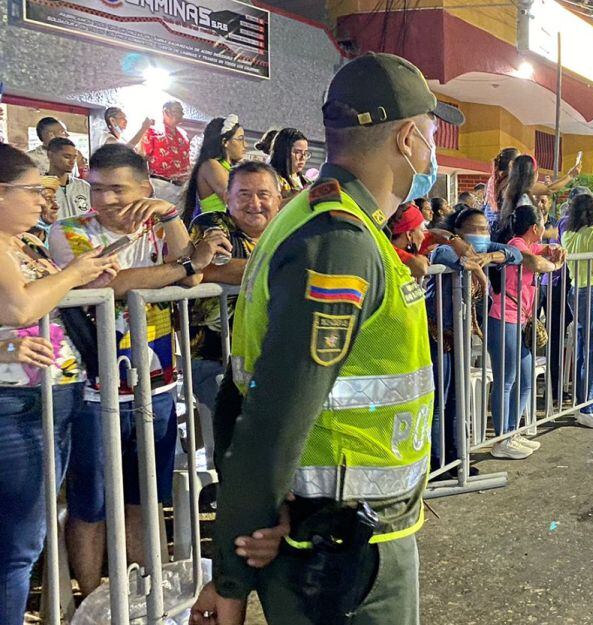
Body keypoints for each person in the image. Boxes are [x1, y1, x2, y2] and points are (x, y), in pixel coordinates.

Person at [190, 52, 465, 625]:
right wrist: (232, 577)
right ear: (408, 138)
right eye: (431, 135)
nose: (431, 153)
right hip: (342, 551)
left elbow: (246, 391)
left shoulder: (318, 219)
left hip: (332, 533)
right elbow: (273, 411)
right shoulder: (340, 241)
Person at [48, 144, 232, 595]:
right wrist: (185, 264)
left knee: (145, 500)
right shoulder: (68, 230)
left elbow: (193, 278)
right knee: (90, 505)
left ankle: (145, 599)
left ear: (146, 188)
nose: (106, 200)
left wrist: (170, 218)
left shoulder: (160, 227)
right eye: (96, 189)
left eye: (117, 189)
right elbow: (111, 284)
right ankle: (92, 602)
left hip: (158, 387)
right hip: (95, 390)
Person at [0, 143, 118, 625]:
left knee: (26, 540)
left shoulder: (24, 243)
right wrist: (74, 271)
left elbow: (48, 296)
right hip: (15, 405)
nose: (43, 200)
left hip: (52, 397)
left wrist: (87, 274)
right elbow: (18, 308)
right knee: (16, 547)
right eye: (32, 190)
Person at [426, 208, 520, 470]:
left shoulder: (482, 249)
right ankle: (437, 463)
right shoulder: (445, 249)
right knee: (440, 400)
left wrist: (490, 256)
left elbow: (515, 253)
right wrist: (478, 267)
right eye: (474, 229)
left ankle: (457, 459)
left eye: (485, 229)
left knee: (458, 399)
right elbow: (453, 259)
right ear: (458, 231)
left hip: (461, 334)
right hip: (438, 333)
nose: (481, 234)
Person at [188, 161, 283, 417]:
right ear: (227, 198)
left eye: (263, 194)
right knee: (234, 426)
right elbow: (209, 270)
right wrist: (285, 268)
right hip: (215, 360)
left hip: (271, 359)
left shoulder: (286, 233)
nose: (254, 203)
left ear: (278, 200)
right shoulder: (212, 224)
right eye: (244, 194)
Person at [486, 205, 564, 459]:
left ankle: (512, 431)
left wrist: (553, 249)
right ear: (535, 228)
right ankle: (501, 439)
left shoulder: (526, 244)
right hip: (504, 318)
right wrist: (554, 265)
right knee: (506, 380)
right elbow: (534, 262)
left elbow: (540, 251)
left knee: (526, 380)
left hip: (519, 320)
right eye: (543, 223)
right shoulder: (515, 245)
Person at [561, 192, 593, 429]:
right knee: (592, 349)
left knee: (584, 348)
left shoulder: (568, 234)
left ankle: (587, 401)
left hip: (576, 289)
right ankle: (587, 407)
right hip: (591, 290)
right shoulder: (592, 233)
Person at [183, 115, 246, 219]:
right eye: (240, 139)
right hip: (215, 225)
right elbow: (234, 199)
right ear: (225, 142)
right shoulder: (211, 165)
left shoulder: (225, 167)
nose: (245, 145)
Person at [142, 101, 191, 204]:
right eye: (177, 110)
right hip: (161, 185)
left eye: (182, 111)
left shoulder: (183, 134)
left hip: (181, 187)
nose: (181, 114)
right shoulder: (152, 131)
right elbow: (143, 157)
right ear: (166, 112)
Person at [45, 138, 91, 219]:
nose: (72, 162)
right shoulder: (40, 188)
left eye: (74, 157)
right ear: (50, 155)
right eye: (67, 157)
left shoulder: (84, 187)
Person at [389, 203, 431, 280]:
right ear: (409, 234)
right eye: (422, 231)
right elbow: (420, 267)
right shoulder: (388, 253)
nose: (424, 236)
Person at [268, 127, 311, 199]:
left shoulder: (307, 181)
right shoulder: (271, 179)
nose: (303, 157)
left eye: (305, 153)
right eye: (297, 152)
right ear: (282, 153)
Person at [28, 176, 61, 242]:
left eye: (55, 199)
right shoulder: (12, 241)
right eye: (47, 199)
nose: (56, 206)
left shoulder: (59, 239)